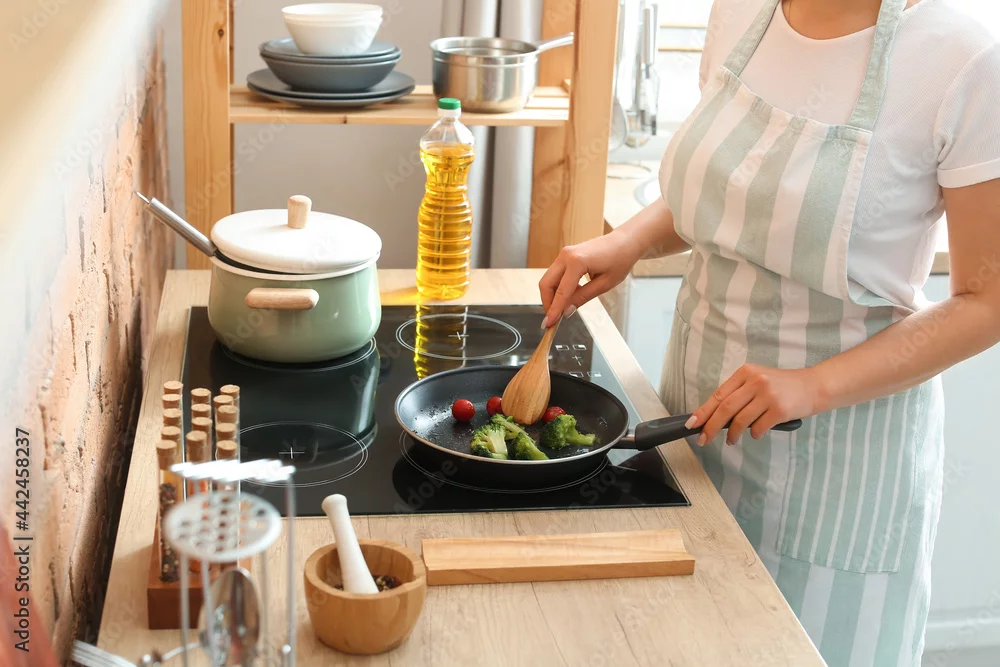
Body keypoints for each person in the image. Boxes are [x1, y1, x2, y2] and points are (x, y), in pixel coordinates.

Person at [539, 0, 1000, 664]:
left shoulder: (964, 59)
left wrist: (812, 385)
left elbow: (987, 300)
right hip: (692, 425)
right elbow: (738, 191)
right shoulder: (740, 12)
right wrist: (631, 241)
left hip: (838, 467)